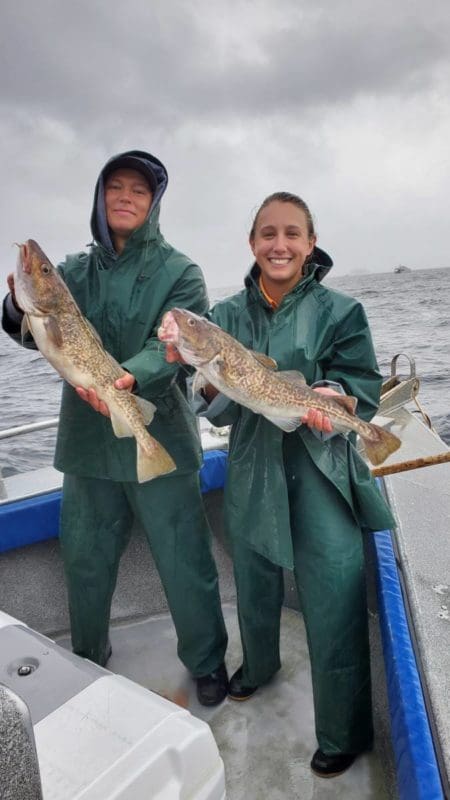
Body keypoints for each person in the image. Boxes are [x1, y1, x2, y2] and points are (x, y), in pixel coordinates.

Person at [164, 191, 395, 776]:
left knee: (335, 592)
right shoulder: (224, 319)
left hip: (322, 468)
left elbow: (360, 380)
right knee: (253, 578)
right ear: (252, 243)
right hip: (252, 465)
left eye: (293, 234)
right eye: (268, 233)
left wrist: (336, 396)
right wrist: (205, 376)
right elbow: (212, 406)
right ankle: (259, 665)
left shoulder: (343, 311)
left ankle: (342, 730)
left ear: (311, 244)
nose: (280, 244)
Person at [2, 149, 228, 706]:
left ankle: (205, 662)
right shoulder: (71, 273)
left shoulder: (181, 272)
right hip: (86, 445)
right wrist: (13, 306)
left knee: (184, 559)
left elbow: (171, 345)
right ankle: (87, 659)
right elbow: (32, 333)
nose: (125, 198)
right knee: (85, 560)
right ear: (100, 198)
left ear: (153, 204)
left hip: (161, 435)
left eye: (139, 191)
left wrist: (131, 378)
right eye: (115, 187)